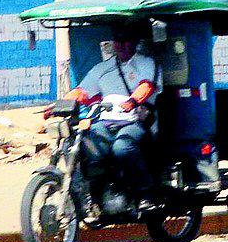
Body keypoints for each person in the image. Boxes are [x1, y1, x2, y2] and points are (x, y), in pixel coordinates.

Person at [54, 25, 159, 211]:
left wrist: (133, 101)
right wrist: (58, 106)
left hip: (136, 122)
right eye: (118, 41)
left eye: (126, 40)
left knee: (122, 147)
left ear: (134, 42)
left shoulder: (146, 63)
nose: (122, 45)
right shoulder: (103, 69)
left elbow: (147, 86)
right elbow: (82, 92)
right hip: (105, 122)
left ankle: (146, 193)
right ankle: (94, 194)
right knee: (86, 145)